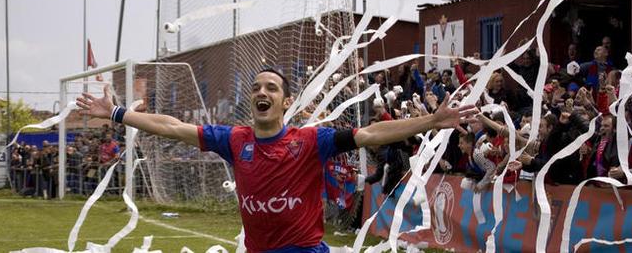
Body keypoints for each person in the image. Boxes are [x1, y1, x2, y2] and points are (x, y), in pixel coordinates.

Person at [76, 67, 475, 252]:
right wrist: (116, 114)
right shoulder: (234, 140)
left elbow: (370, 134)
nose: (261, 91)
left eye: (271, 87)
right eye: (256, 87)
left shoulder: (310, 141)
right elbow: (172, 126)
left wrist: (433, 120)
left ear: (286, 102)